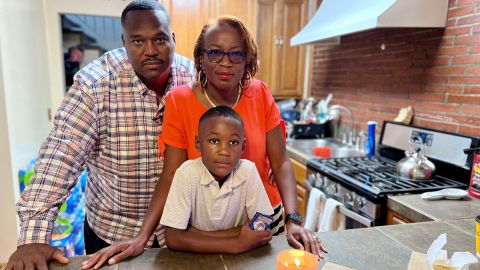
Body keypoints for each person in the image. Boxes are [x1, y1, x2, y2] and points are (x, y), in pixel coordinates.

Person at [83, 15, 326, 269]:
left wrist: (294, 219)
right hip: (208, 229)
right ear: (200, 57)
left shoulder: (260, 94)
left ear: (247, 59)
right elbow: (171, 174)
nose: (225, 63)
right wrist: (142, 237)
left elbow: (281, 162)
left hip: (262, 222)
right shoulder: (179, 101)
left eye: (236, 54)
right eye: (215, 53)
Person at [5, 1, 195, 270]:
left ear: (173, 38)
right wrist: (33, 238)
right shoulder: (95, 86)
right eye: (138, 41)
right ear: (124, 42)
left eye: (160, 39)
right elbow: (60, 157)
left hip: (182, 232)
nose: (151, 50)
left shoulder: (194, 79)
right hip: (113, 235)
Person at [161, 106, 273, 253]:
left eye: (233, 142)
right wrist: (236, 244)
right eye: (214, 141)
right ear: (198, 143)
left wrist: (198, 234)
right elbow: (173, 238)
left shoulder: (248, 171)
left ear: (243, 146)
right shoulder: (186, 173)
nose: (224, 151)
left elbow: (262, 225)